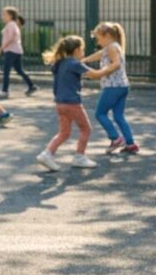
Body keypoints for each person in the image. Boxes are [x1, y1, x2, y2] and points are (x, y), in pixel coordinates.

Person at [35, 35, 108, 172]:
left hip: (60, 103)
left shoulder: (59, 63)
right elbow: (95, 75)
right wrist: (112, 68)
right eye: (82, 50)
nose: (83, 52)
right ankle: (79, 157)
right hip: (72, 103)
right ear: (76, 50)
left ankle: (47, 154)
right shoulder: (75, 64)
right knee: (86, 129)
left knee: (64, 132)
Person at [83, 22, 138, 155]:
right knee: (118, 116)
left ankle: (115, 138)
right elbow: (98, 55)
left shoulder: (112, 47)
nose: (97, 42)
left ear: (107, 36)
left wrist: (99, 73)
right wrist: (83, 61)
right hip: (122, 86)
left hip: (113, 87)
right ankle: (130, 144)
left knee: (100, 114)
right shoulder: (113, 46)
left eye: (99, 38)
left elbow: (116, 64)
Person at [0, 6, 37, 98]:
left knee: (6, 71)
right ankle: (32, 86)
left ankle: (4, 91)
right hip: (17, 50)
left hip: (11, 51)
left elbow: (10, 38)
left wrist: (0, 48)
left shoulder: (11, 25)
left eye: (4, 14)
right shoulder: (13, 25)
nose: (2, 16)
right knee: (19, 70)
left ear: (10, 16)